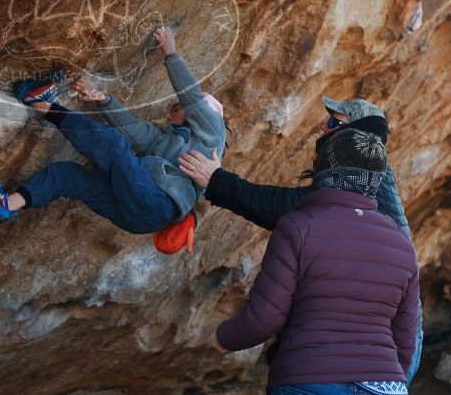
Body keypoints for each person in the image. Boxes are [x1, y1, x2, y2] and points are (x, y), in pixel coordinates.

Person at [177, 97, 423, 384]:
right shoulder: (375, 190)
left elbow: (284, 207)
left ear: (356, 134)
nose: (322, 125)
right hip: (383, 368)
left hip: (326, 370)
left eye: (333, 122)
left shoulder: (357, 187)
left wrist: (217, 180)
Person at [0, 25, 226, 237]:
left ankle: (37, 101)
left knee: (114, 145)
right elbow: (134, 130)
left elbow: (191, 96)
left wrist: (170, 51)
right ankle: (6, 206)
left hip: (157, 204)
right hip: (141, 218)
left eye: (177, 107)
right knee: (68, 176)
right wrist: (104, 99)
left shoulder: (212, 134)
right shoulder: (168, 142)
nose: (172, 111)